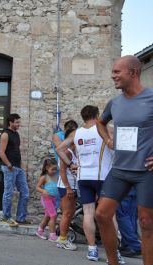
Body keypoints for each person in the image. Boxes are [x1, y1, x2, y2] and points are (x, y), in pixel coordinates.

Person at [95, 55, 153, 265]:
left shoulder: (151, 98)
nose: (113, 76)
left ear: (133, 73)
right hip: (120, 168)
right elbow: (100, 123)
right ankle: (113, 263)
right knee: (102, 214)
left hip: (146, 171)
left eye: (117, 72)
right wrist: (109, 140)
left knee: (146, 222)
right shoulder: (115, 103)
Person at [57, 105, 122, 262]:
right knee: (110, 215)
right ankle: (113, 254)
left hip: (83, 177)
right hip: (103, 177)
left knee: (88, 213)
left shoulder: (77, 132)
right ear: (98, 114)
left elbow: (60, 148)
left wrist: (71, 164)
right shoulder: (107, 128)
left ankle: (92, 250)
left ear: (83, 117)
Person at [0, 113, 30, 227]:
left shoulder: (16, 134)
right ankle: (5, 217)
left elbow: (17, 151)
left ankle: (20, 218)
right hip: (9, 168)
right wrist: (9, 165)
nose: (19, 124)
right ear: (10, 122)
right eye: (17, 122)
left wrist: (21, 166)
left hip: (18, 167)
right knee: (8, 193)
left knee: (25, 192)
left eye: (19, 122)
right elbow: (1, 152)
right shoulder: (5, 134)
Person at [56, 124, 79, 251]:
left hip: (72, 186)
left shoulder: (74, 151)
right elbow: (63, 172)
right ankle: (62, 240)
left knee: (70, 214)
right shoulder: (67, 152)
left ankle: (63, 238)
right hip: (66, 187)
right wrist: (68, 188)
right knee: (67, 213)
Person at [35, 157, 59, 242]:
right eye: (52, 169)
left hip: (54, 199)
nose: (54, 171)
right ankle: (52, 236)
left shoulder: (57, 176)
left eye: (56, 169)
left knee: (48, 216)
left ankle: (40, 231)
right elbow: (37, 187)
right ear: (47, 168)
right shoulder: (44, 177)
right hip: (47, 199)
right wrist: (43, 190)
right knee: (54, 215)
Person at [117, 187, 141, 257]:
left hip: (126, 182)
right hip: (138, 184)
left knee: (122, 215)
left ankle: (134, 245)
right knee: (131, 215)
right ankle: (127, 244)